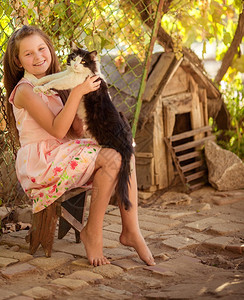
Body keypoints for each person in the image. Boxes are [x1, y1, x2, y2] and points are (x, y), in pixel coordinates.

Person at [3, 25, 155, 267]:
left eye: (42, 49)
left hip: (64, 151)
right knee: (113, 158)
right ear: (18, 61)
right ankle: (92, 233)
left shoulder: (57, 84)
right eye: (28, 53)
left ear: (50, 50)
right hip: (42, 162)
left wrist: (88, 107)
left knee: (126, 150)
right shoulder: (25, 90)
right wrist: (77, 92)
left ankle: (132, 230)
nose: (38, 56)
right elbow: (56, 130)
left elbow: (72, 128)